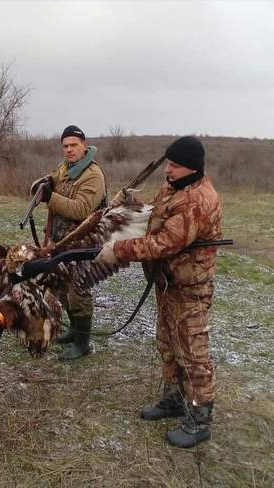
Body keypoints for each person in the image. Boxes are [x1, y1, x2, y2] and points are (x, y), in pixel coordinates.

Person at [96, 136, 222, 448]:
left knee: (193, 353)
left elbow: (163, 242)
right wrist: (128, 206)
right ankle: (174, 399)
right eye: (167, 163)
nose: (168, 169)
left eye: (175, 165)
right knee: (168, 343)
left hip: (189, 289)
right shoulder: (174, 188)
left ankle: (199, 420)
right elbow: (155, 217)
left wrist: (118, 250)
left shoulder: (197, 201)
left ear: (191, 167)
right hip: (168, 283)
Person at [30, 125, 106, 360]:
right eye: (65, 146)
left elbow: (82, 209)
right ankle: (74, 330)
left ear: (84, 146)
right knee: (62, 288)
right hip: (61, 242)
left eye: (74, 145)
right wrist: (41, 184)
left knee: (78, 291)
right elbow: (54, 178)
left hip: (83, 243)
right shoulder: (67, 168)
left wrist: (50, 198)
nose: (69, 150)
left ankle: (82, 343)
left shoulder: (92, 175)